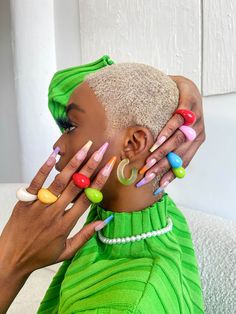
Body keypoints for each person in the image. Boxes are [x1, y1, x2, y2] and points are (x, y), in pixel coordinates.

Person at [0, 56, 205, 314]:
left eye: (69, 127)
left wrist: (10, 262)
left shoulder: (123, 306)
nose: (58, 146)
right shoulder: (162, 217)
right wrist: (182, 92)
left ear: (132, 144)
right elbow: (73, 89)